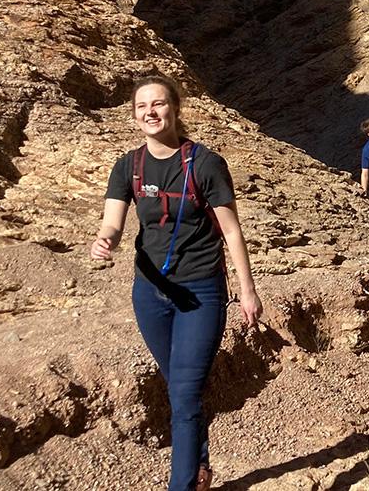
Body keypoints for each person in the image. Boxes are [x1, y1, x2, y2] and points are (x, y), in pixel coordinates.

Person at [91, 76, 263, 491]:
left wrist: (248, 290)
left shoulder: (205, 164)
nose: (150, 112)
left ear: (175, 109)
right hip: (150, 294)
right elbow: (113, 220)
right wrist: (105, 240)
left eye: (159, 104)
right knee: (178, 388)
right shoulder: (127, 166)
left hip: (200, 292)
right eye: (141, 106)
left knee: (184, 397)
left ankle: (182, 484)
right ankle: (200, 465)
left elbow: (232, 232)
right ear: (134, 115)